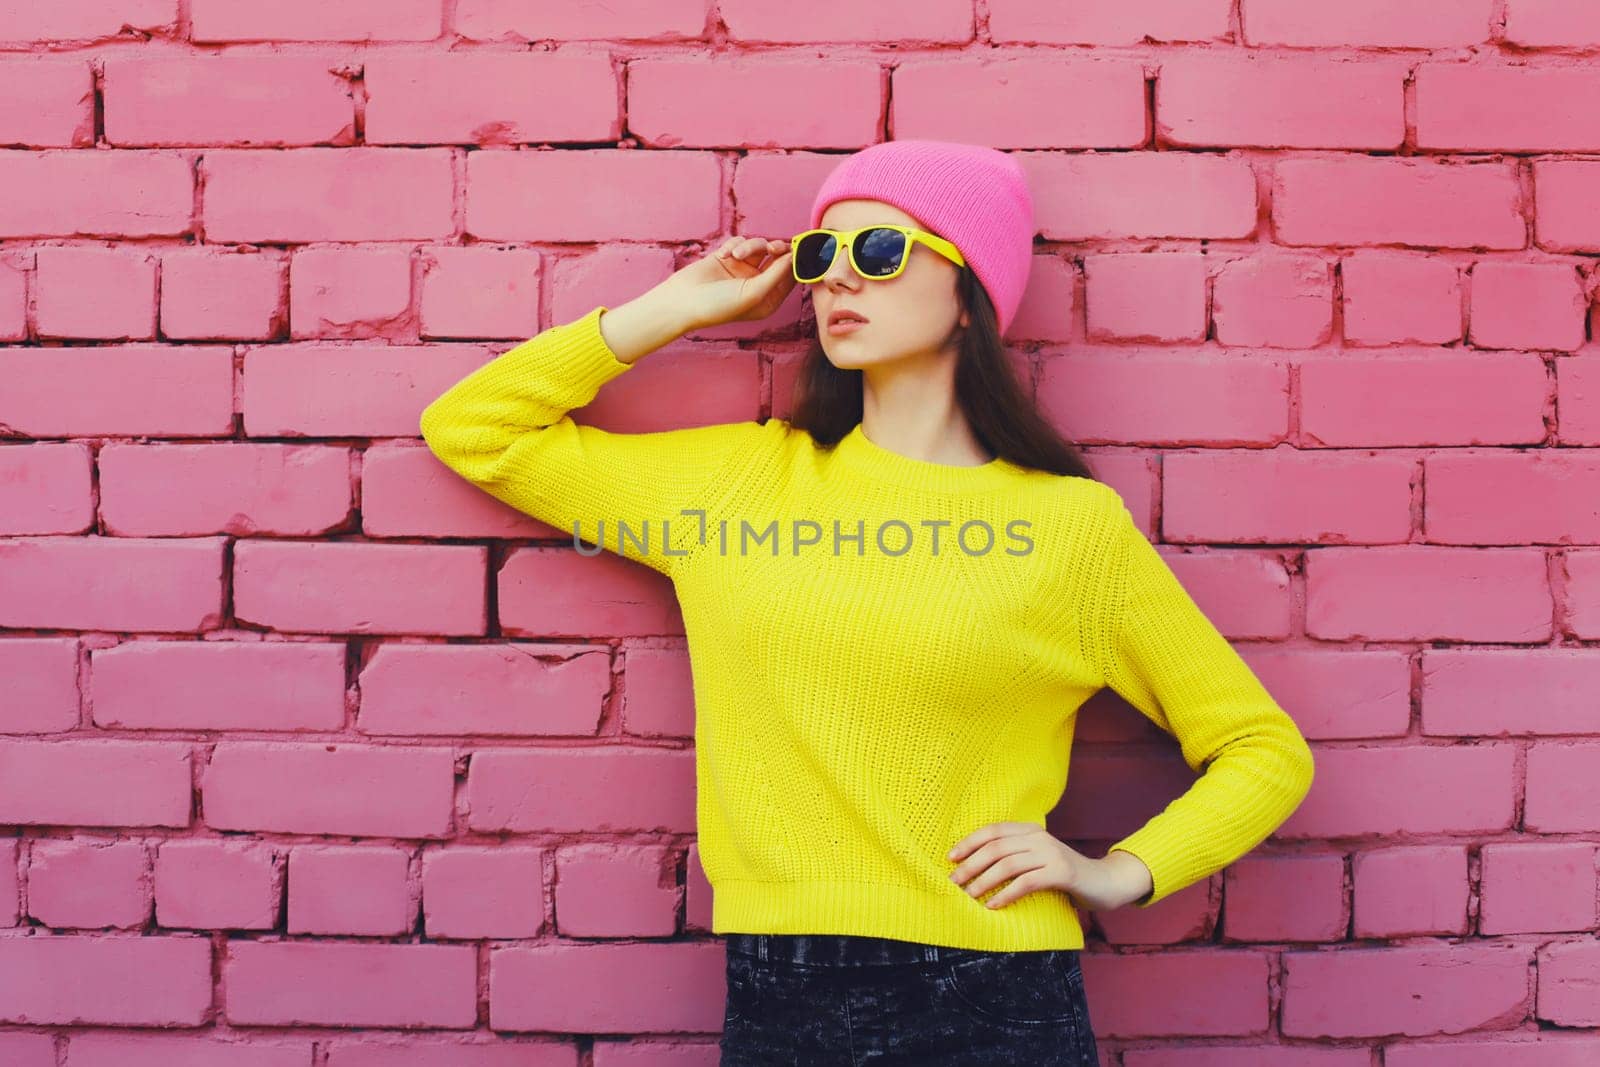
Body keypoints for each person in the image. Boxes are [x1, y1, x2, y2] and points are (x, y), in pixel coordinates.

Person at [419, 139, 1316, 1065]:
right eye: (820, 257)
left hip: (1000, 997)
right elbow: (476, 429)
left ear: (970, 294)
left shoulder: (1070, 528)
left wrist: (1118, 873)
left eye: (879, 253)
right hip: (784, 991)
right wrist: (680, 307)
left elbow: (1262, 750)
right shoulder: (741, 486)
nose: (838, 281)